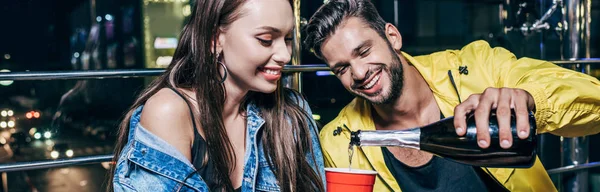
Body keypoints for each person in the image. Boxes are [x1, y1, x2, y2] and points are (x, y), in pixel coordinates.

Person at [303, 0, 600, 191]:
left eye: (364, 51)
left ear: (392, 37)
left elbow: (593, 104)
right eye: (342, 68)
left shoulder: (477, 67)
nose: (358, 73)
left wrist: (531, 99)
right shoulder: (338, 141)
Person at [109, 0, 326, 191]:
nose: (285, 55)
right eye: (266, 39)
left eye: (288, 39)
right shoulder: (170, 111)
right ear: (215, 39)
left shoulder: (291, 111)